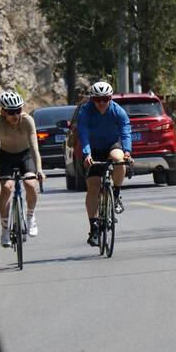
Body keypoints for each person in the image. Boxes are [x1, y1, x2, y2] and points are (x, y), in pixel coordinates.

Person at [76, 81, 132, 247]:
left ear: (110, 98)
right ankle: (93, 227)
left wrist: (128, 152)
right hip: (92, 149)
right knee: (93, 186)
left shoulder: (118, 111)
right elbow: (83, 133)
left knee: (119, 159)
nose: (101, 103)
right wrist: (87, 154)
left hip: (111, 146)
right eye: (97, 100)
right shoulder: (85, 112)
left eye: (105, 99)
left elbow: (126, 130)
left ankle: (115, 193)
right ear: (92, 99)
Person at [0, 90, 44, 248]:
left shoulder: (28, 120)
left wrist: (39, 169)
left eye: (18, 110)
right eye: (12, 112)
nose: (16, 115)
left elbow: (34, 147)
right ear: (3, 111)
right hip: (5, 155)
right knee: (6, 187)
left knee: (30, 184)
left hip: (25, 155)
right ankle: (5, 229)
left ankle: (31, 216)